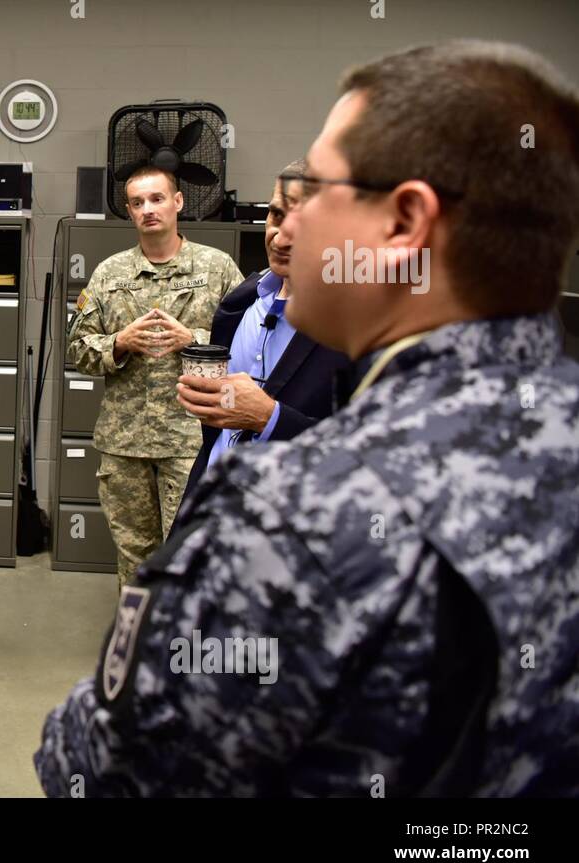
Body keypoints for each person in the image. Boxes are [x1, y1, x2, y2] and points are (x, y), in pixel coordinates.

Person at [35, 40, 579, 797]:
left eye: (316, 191)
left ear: (403, 223)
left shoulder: (297, 511)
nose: (282, 225)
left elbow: (103, 768)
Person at [66, 166, 242, 588]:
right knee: (134, 560)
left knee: (189, 555)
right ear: (129, 211)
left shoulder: (217, 268)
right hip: (125, 444)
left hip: (191, 442)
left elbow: (251, 349)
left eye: (157, 199)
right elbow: (77, 350)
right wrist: (119, 342)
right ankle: (138, 647)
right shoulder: (110, 275)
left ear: (178, 202)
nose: (148, 210)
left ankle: (182, 647)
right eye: (138, 202)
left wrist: (195, 339)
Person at [174, 161, 350, 505]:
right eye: (276, 215)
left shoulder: (355, 328)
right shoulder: (240, 304)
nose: (280, 237)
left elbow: (362, 456)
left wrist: (270, 419)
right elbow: (219, 432)